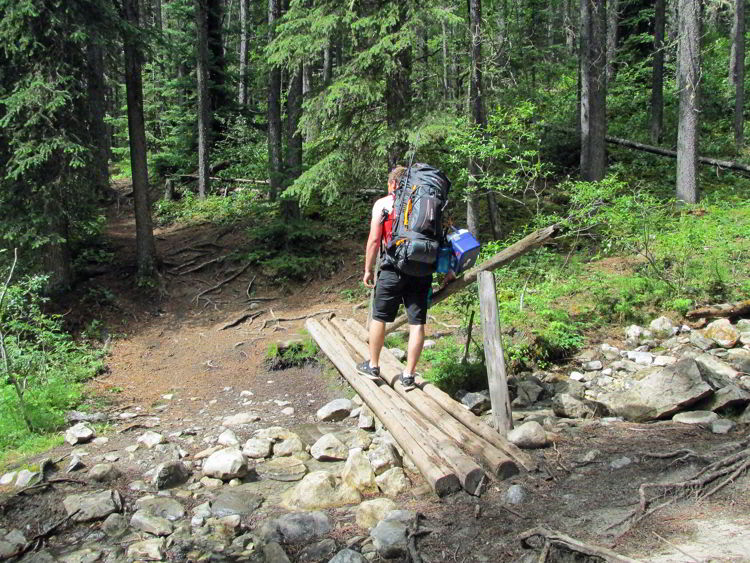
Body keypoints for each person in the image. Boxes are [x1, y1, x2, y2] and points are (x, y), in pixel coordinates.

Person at [357, 165, 432, 390]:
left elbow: (373, 240)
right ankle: (409, 375)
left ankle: (374, 365)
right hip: (421, 269)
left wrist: (368, 269)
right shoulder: (426, 203)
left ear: (392, 183)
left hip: (392, 268)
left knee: (379, 317)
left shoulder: (383, 204)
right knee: (417, 322)